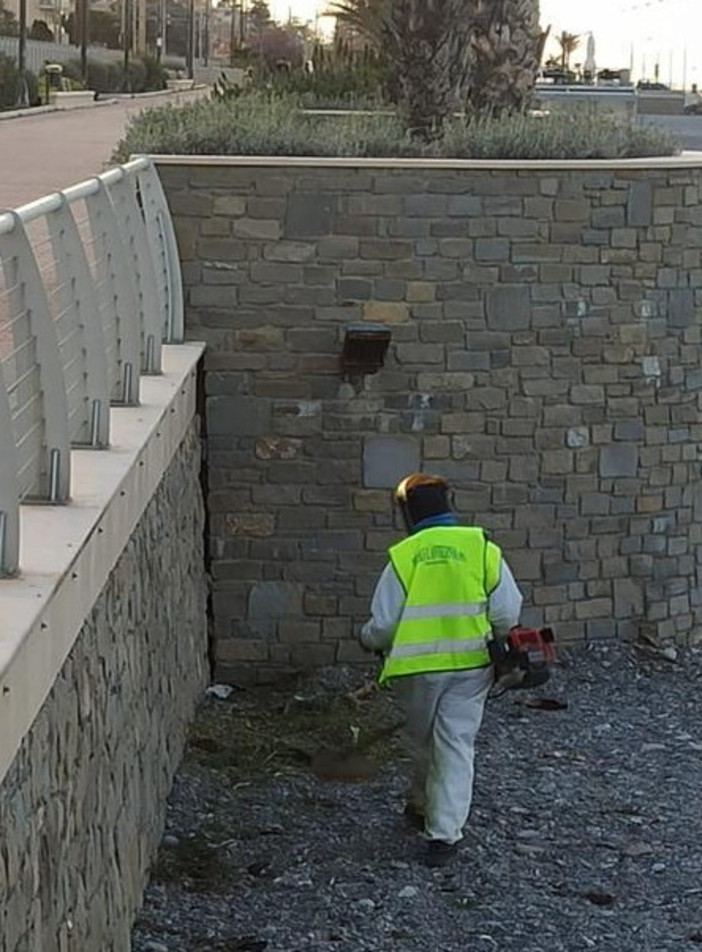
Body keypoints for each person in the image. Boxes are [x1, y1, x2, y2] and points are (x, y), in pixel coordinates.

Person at [359, 473, 523, 867]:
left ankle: (423, 809)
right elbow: (507, 610)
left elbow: (382, 625)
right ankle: (443, 835)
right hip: (471, 667)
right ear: (449, 504)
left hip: (416, 672)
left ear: (407, 513)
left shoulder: (405, 555)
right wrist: (501, 642)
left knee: (423, 740)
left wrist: (367, 640)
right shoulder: (481, 547)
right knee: (455, 743)